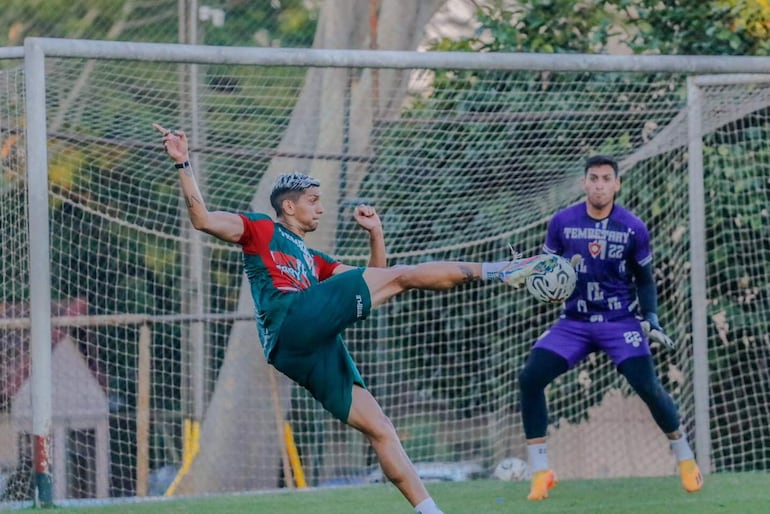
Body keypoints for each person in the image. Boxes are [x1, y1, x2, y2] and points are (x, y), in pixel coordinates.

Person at [153, 123, 547, 514]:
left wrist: (376, 232)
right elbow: (202, 218)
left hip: (303, 350)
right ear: (288, 206)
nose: (320, 207)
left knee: (381, 428)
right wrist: (183, 162)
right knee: (404, 276)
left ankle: (431, 513)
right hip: (292, 319)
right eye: (312, 200)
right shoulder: (260, 227)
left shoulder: (314, 260)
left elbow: (380, 281)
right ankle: (501, 270)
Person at [517, 155, 704, 501]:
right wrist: (530, 276)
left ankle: (685, 459)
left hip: (619, 322)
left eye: (607, 178)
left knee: (647, 386)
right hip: (574, 322)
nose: (600, 184)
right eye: (594, 178)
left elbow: (645, 280)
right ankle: (541, 472)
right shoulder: (561, 222)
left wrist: (652, 318)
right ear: (584, 183)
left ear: (617, 184)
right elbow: (547, 269)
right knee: (530, 378)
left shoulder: (633, 227)